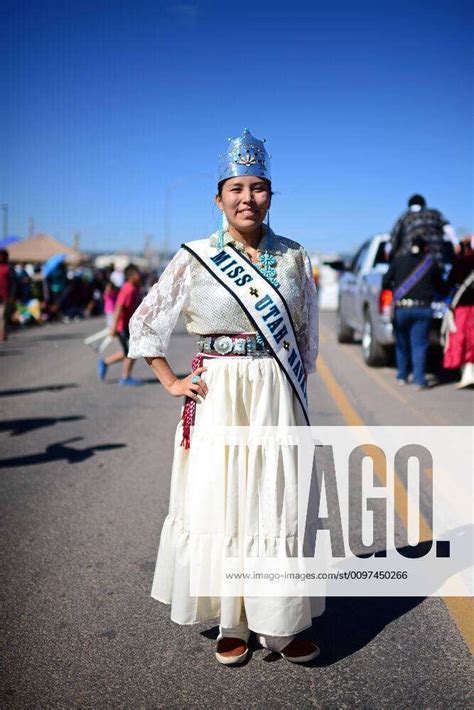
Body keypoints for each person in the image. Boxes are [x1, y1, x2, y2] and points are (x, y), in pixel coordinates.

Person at [128, 129, 322, 665]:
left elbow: (307, 337)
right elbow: (146, 323)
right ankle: (232, 622)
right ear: (219, 198)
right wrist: (169, 379)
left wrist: (291, 393)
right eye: (236, 188)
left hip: (273, 392)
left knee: (273, 500)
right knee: (224, 501)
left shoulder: (294, 256)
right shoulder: (195, 257)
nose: (247, 198)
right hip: (218, 395)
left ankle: (280, 624)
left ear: (270, 195)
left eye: (259, 188)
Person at [382, 235, 444, 389]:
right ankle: (418, 380)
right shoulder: (431, 263)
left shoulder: (399, 260)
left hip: (402, 309)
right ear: (426, 248)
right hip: (423, 309)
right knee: (419, 345)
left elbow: (385, 282)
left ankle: (402, 376)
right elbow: (441, 287)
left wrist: (397, 290)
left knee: (402, 344)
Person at [97, 264, 142, 385]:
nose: (140, 276)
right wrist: (114, 327)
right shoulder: (127, 289)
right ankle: (125, 377)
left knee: (131, 351)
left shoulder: (135, 288)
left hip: (130, 325)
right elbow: (118, 308)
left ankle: (105, 362)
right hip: (122, 326)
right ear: (131, 276)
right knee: (131, 351)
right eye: (138, 273)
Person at [388, 194, 457, 265]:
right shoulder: (434, 214)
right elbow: (448, 228)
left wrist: (387, 251)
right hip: (435, 261)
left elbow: (393, 237)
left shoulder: (404, 217)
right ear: (424, 204)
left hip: (412, 264)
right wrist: (456, 243)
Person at [442, 237, 474, 388]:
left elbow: (448, 284)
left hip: (462, 308)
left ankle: (467, 374)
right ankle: (468, 373)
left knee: (461, 339)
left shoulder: (461, 264)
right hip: (465, 308)